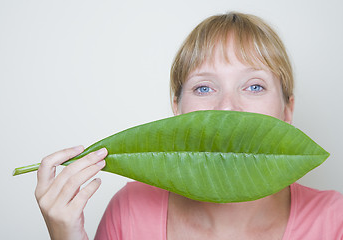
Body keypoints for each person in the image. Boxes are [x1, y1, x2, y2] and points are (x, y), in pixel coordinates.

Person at [35, 12, 343, 239]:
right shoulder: (130, 210)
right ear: (176, 108)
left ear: (288, 109)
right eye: (204, 88)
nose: (227, 107)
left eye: (254, 86)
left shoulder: (334, 219)